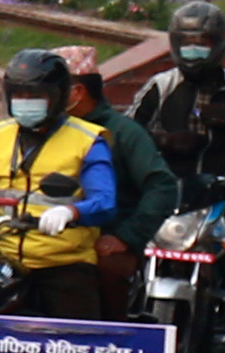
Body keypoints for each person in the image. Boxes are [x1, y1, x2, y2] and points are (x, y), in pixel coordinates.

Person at [0, 49, 123, 321]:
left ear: (58, 97)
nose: (26, 102)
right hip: (4, 258)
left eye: (36, 96)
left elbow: (105, 202)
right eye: (19, 95)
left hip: (63, 263)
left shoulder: (88, 140)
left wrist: (71, 213)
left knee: (78, 344)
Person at [59, 44, 180, 311]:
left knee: (106, 276)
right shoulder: (42, 131)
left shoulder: (123, 133)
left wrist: (126, 237)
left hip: (104, 241)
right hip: (46, 239)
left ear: (78, 91)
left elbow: (162, 186)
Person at [130, 0, 225, 190]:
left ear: (219, 45)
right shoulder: (161, 85)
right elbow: (126, 132)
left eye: (201, 44)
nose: (193, 50)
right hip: (169, 193)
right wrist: (164, 140)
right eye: (186, 44)